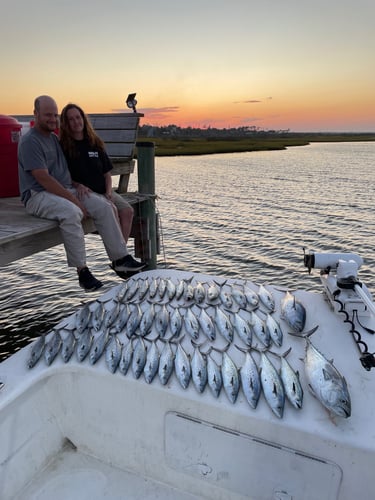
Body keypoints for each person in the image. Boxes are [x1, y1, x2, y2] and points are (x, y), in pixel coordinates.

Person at [18, 95, 146, 292]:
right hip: (37, 195)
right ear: (35, 114)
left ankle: (120, 259)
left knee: (104, 205)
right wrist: (74, 200)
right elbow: (43, 179)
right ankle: (82, 272)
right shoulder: (30, 142)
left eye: (54, 115)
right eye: (47, 115)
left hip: (64, 190)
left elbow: (65, 172)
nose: (52, 119)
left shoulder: (53, 138)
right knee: (72, 213)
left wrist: (76, 186)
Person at [59, 103, 133, 242]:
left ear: (83, 119)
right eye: (71, 119)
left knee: (127, 211)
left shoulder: (95, 142)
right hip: (86, 193)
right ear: (66, 123)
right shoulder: (64, 147)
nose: (76, 122)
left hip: (104, 191)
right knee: (112, 210)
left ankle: (120, 255)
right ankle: (120, 256)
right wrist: (77, 185)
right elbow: (62, 176)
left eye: (78, 117)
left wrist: (109, 192)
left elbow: (107, 174)